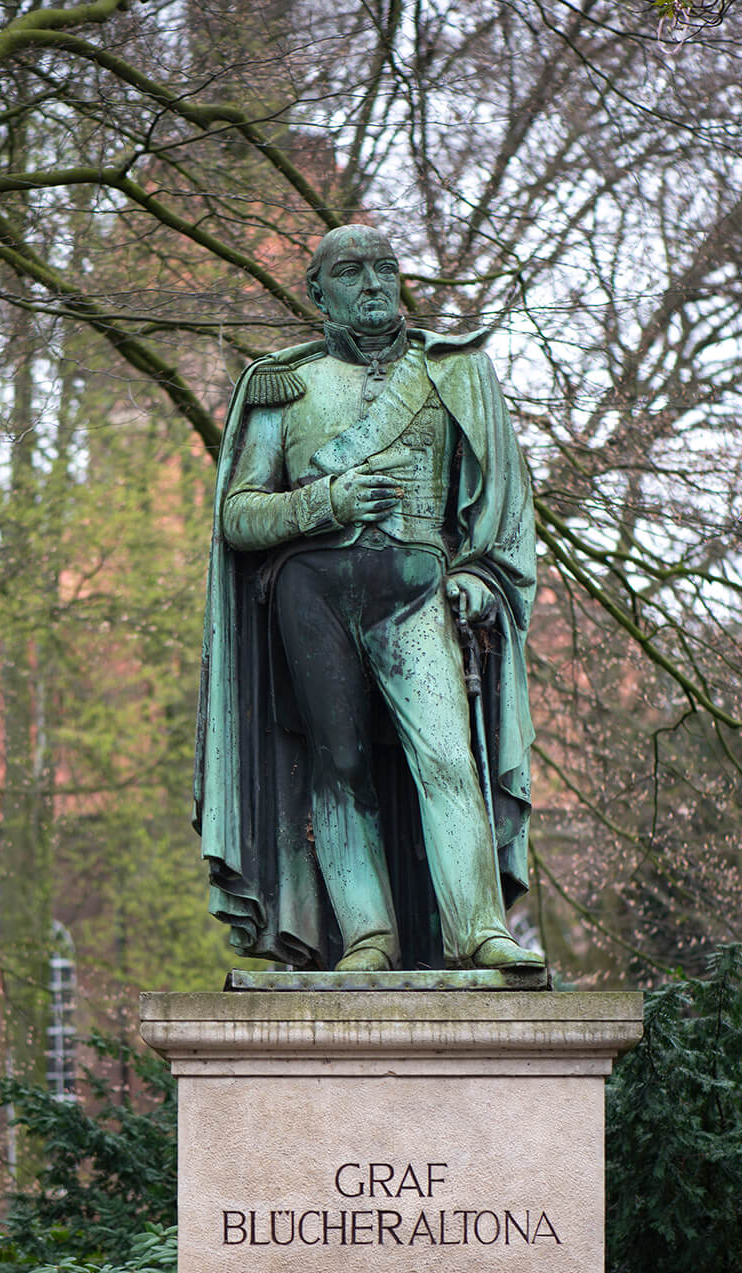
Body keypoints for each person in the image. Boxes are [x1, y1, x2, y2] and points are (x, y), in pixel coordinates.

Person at [193, 225, 543, 973]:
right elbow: (238, 514)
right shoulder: (280, 386)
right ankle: (368, 938)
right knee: (338, 764)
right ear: (318, 292)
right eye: (352, 272)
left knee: (447, 756)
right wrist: (326, 502)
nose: (375, 284)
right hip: (310, 592)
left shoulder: (455, 373)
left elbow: (499, 518)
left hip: (413, 589)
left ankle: (479, 930)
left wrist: (479, 578)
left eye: (386, 268)